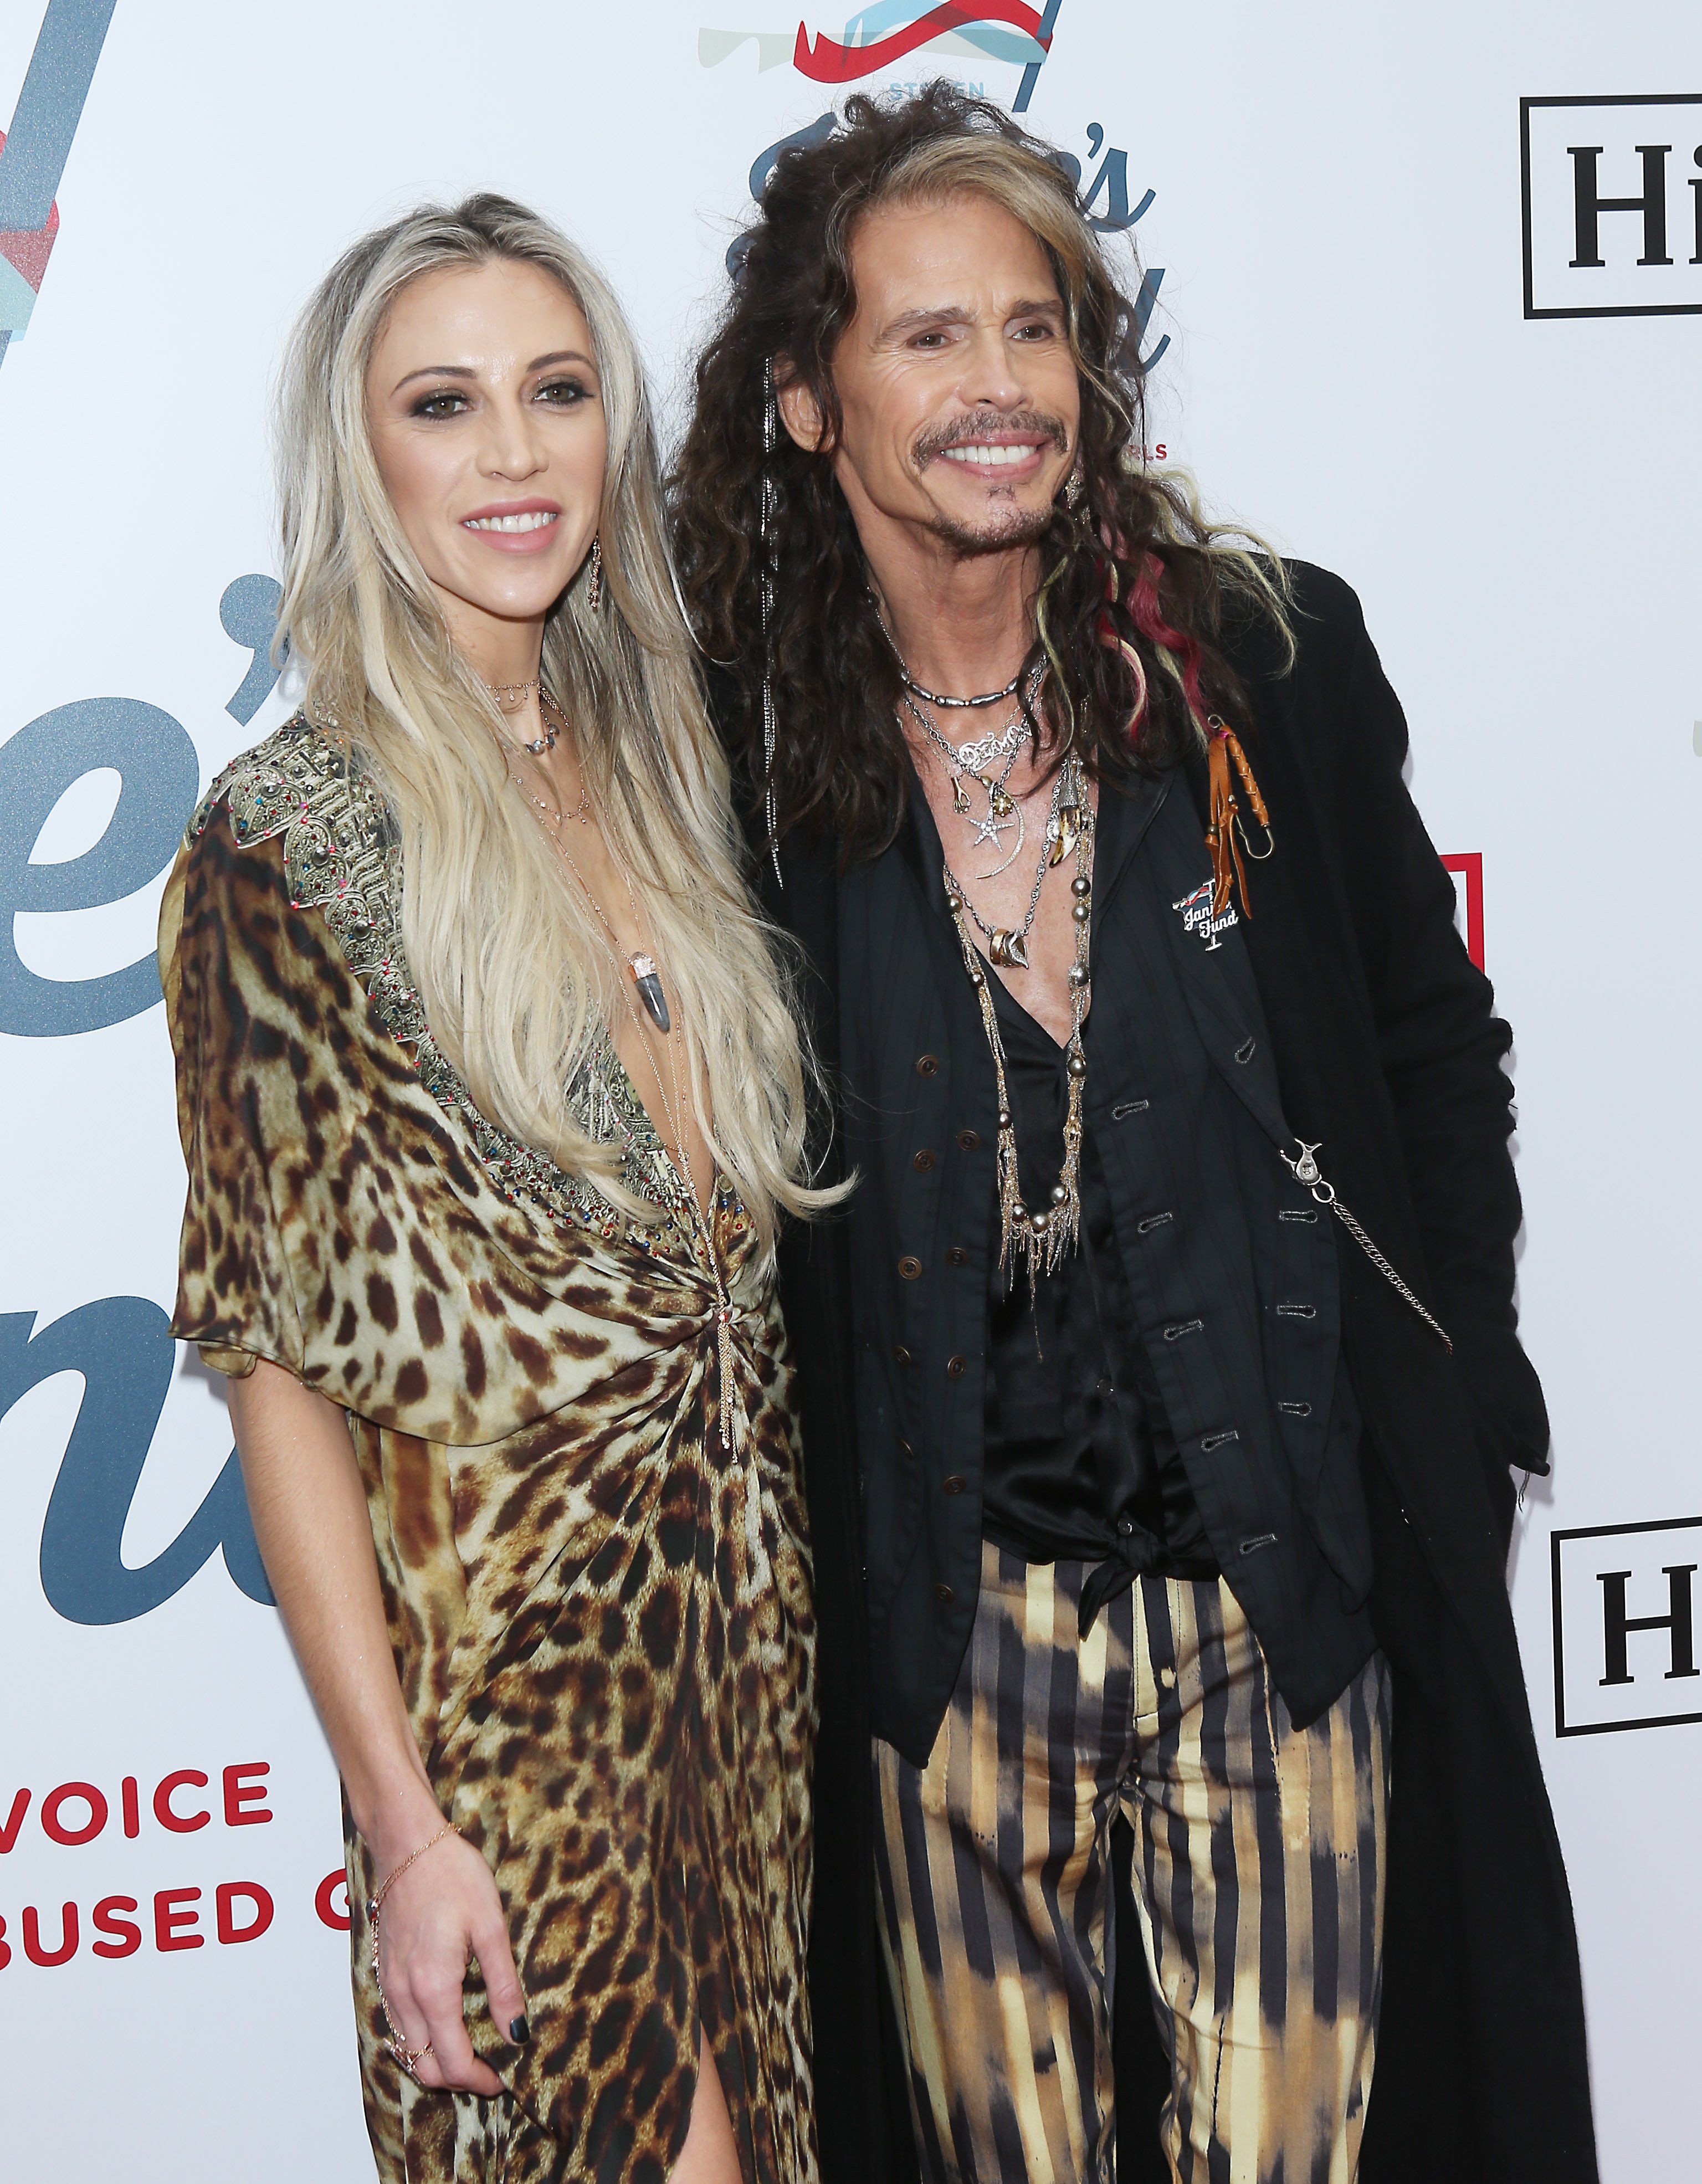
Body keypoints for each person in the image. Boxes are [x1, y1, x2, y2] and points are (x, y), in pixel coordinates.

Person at [672, 85, 1598, 2184]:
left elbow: (1437, 1052)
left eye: (1037, 327)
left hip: (1284, 1605)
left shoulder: (1263, 662)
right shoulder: (733, 751)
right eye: (928, 337)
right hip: (948, 1642)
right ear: (811, 404)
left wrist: (1450, 1387)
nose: (1001, 387)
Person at [160, 194, 828, 2184]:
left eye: (556, 394)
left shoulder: (673, 773)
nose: (515, 455)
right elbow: (275, 1367)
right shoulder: (290, 842)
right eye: (446, 405)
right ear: (360, 457)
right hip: (521, 1731)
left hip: (754, 1698)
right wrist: (405, 1825)